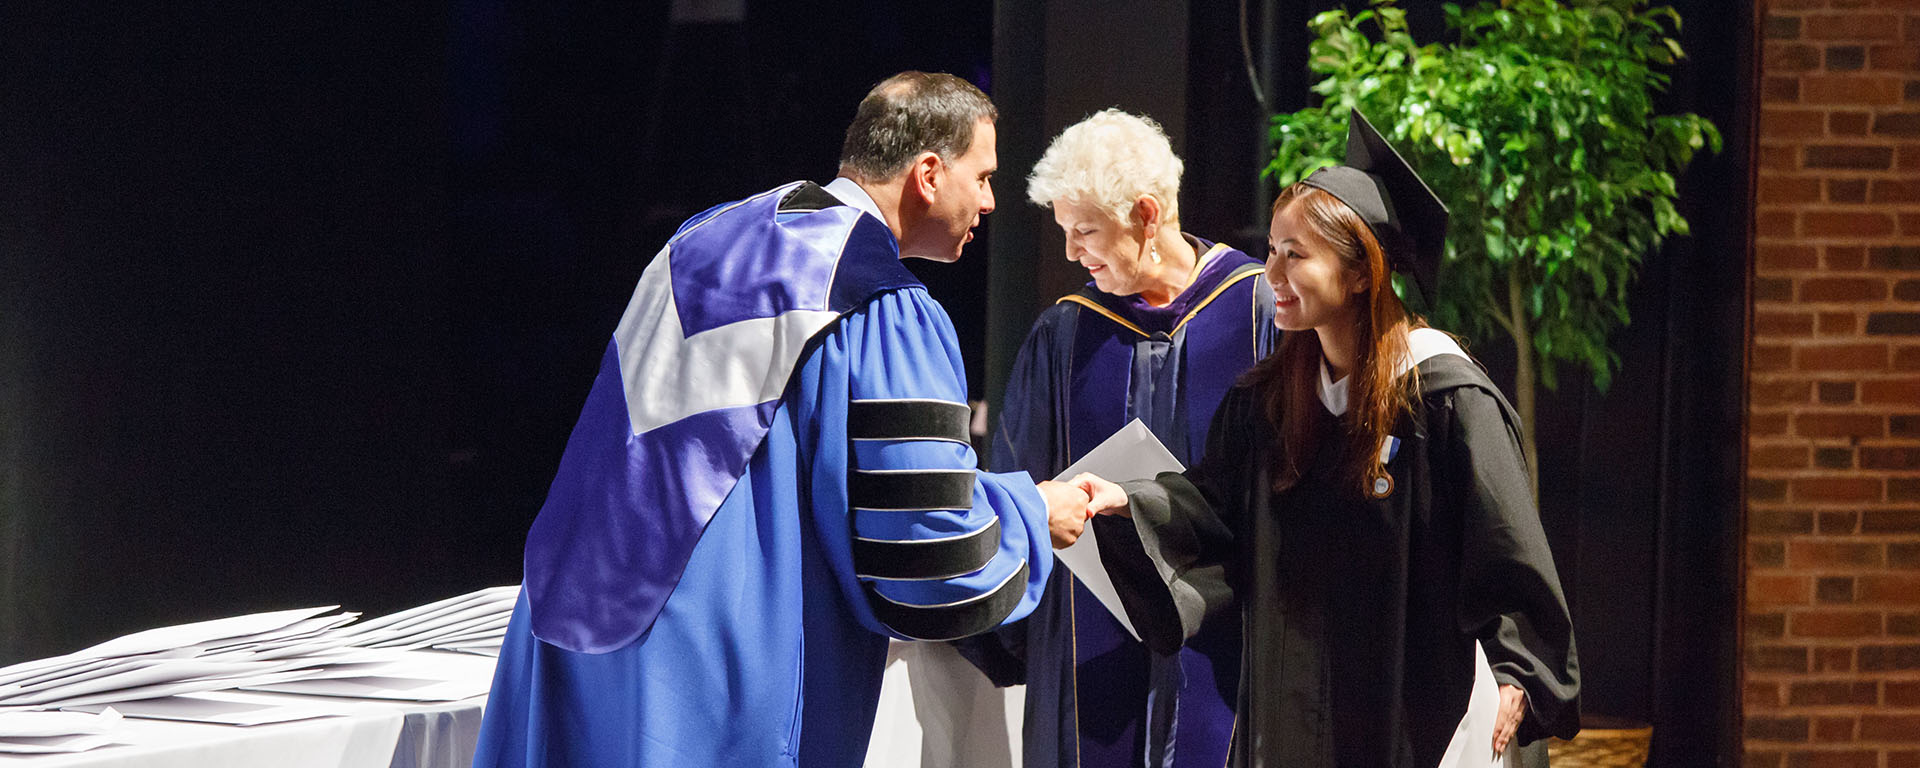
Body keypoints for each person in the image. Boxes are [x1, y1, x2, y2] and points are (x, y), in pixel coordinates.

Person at [472, 71, 1093, 768]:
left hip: (571, 618)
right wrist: (1033, 514)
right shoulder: (880, 303)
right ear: (927, 173)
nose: (989, 200)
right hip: (714, 677)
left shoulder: (703, 239)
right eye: (981, 176)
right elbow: (926, 554)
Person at [1073, 110, 1580, 767]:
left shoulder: (1444, 399)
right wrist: (1126, 504)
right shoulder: (1272, 402)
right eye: (1273, 250)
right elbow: (1217, 515)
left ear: (1363, 273)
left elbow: (1508, 551)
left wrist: (1518, 671)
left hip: (1424, 710)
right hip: (1299, 709)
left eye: (1297, 255)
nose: (1272, 273)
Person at [957, 108, 1277, 768]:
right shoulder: (1065, 336)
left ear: (1148, 216)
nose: (1072, 252)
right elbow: (1022, 481)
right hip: (1089, 645)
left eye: (1086, 231)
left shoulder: (1259, 312)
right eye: (1065, 232)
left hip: (1229, 637)